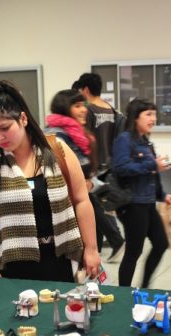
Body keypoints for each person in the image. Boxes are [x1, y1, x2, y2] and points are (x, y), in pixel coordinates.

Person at [0, 80, 100, 281]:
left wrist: (91, 249)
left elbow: (82, 200)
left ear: (22, 119)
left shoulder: (58, 151)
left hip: (59, 260)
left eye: (5, 128)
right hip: (12, 265)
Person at [45, 89, 123, 254]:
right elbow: (57, 176)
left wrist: (91, 181)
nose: (84, 110)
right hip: (68, 213)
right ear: (63, 108)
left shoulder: (78, 133)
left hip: (85, 205)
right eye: (77, 105)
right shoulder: (56, 136)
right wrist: (84, 183)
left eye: (84, 105)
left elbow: (85, 170)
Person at [112, 98, 171, 287]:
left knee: (161, 243)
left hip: (147, 202)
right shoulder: (124, 140)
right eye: (148, 114)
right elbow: (121, 168)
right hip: (132, 204)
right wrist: (152, 164)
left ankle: (145, 286)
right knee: (133, 251)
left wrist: (162, 195)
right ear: (135, 117)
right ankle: (124, 292)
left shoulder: (146, 142)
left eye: (154, 114)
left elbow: (152, 173)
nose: (153, 119)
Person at [77, 72, 125, 261]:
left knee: (93, 206)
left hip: (94, 165)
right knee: (96, 208)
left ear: (86, 89)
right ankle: (96, 248)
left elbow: (85, 139)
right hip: (109, 164)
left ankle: (115, 241)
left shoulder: (89, 111)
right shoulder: (111, 110)